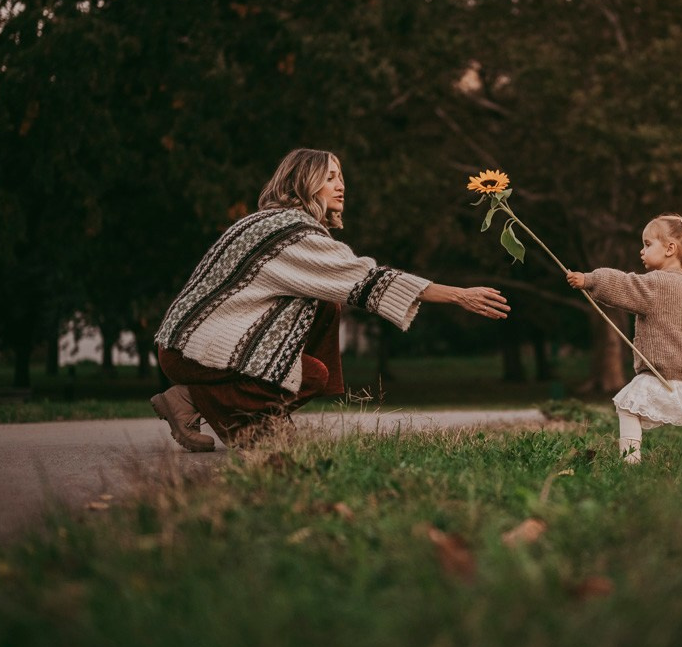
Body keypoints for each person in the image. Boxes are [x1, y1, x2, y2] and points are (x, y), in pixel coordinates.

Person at [151, 148, 510, 451]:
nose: (341, 186)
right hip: (195, 354)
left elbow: (343, 282)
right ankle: (193, 402)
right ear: (302, 182)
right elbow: (365, 279)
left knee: (326, 300)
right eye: (330, 177)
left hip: (185, 347)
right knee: (311, 376)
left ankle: (247, 420)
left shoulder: (264, 222)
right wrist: (459, 295)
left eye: (341, 177)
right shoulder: (291, 232)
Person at [565, 214, 682, 466]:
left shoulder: (659, 283)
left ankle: (631, 462)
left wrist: (590, 280)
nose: (642, 251)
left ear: (670, 248)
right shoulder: (679, 281)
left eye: (648, 244)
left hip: (668, 366)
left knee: (628, 406)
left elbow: (626, 286)